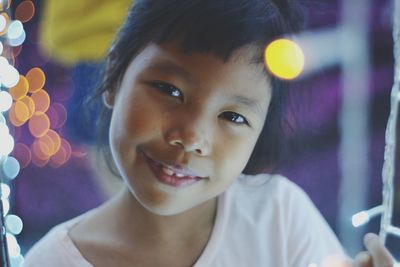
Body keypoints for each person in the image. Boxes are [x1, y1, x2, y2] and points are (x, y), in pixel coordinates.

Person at [24, 0, 395, 266]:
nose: (191, 137)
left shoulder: (278, 218)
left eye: (233, 117)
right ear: (113, 75)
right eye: (169, 90)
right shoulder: (54, 260)